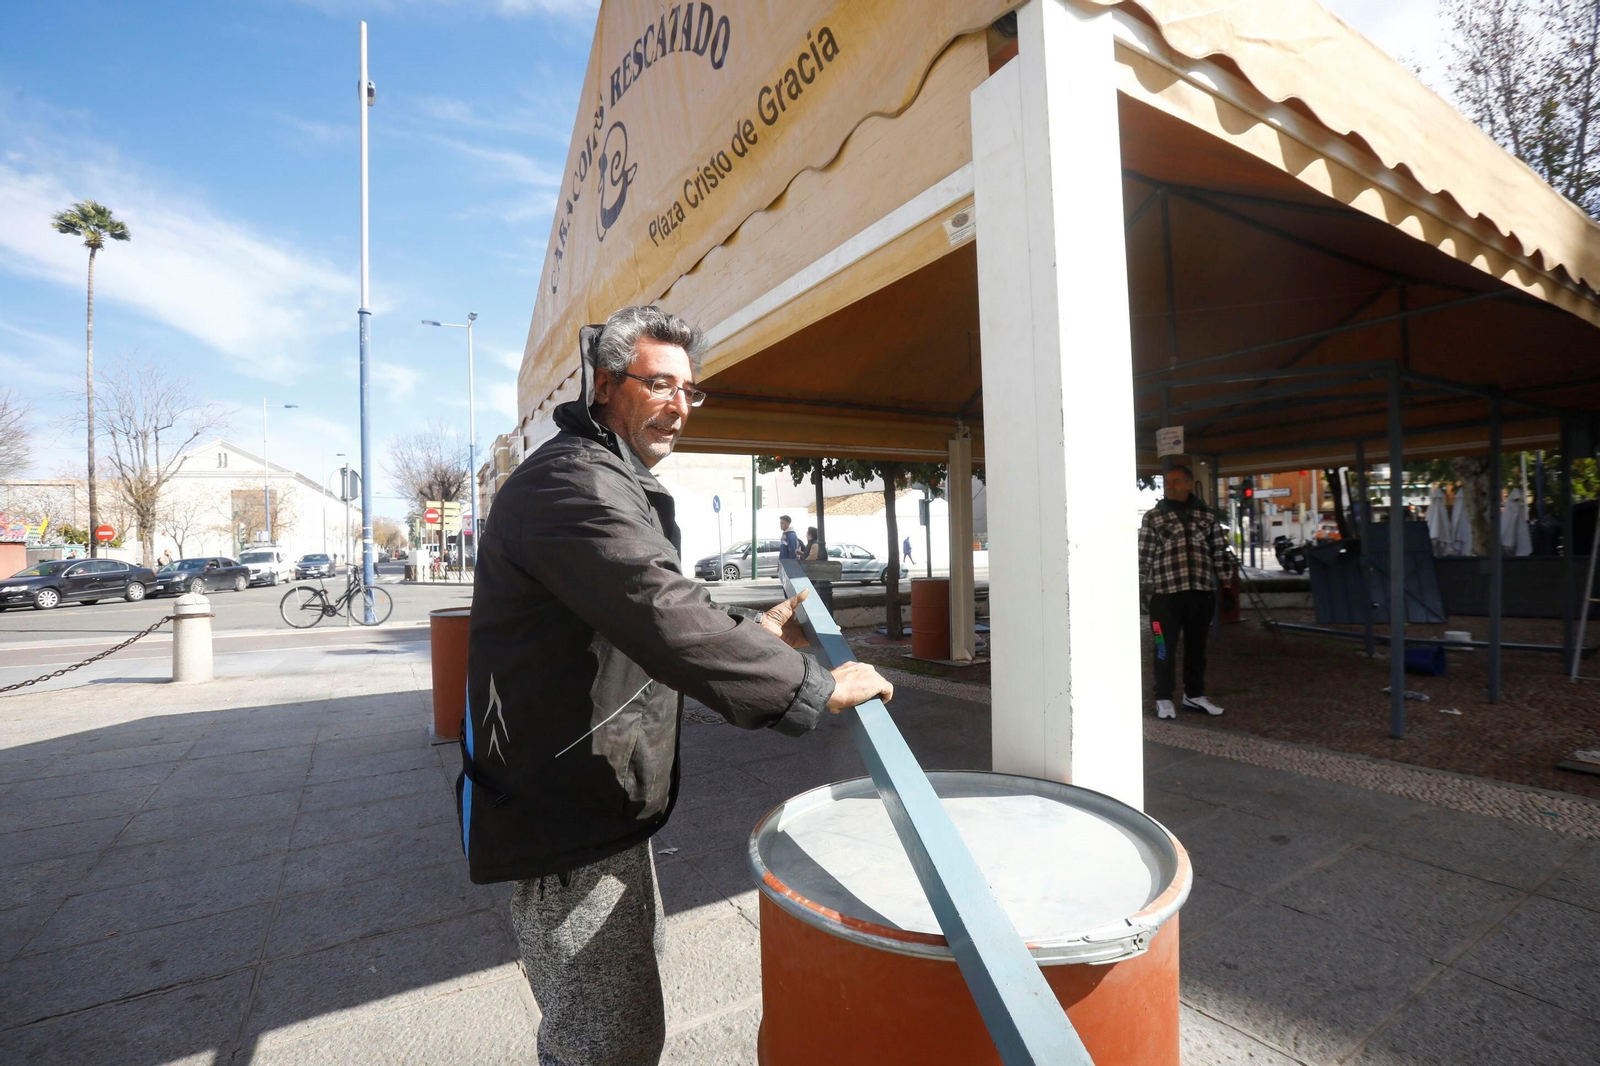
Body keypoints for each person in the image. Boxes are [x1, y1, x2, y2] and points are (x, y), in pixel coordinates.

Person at [461, 306, 894, 1066]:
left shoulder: (603, 476)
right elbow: (659, 610)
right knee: (606, 1043)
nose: (679, 406)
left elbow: (634, 627)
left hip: (593, 804)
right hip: (563, 816)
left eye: (690, 391)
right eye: (659, 384)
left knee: (622, 1018)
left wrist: (756, 640)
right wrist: (810, 684)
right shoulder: (574, 484)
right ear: (605, 387)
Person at [1138, 464, 1236, 719]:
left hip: (1200, 594)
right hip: (1165, 595)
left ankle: (1193, 695)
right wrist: (1137, 589)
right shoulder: (1153, 517)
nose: (1170, 485)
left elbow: (1219, 552)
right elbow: (1143, 555)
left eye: (1176, 481)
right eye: (1167, 481)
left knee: (1197, 648)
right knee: (1162, 647)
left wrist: (1226, 587)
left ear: (1190, 484)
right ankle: (1163, 697)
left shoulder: (1206, 516)